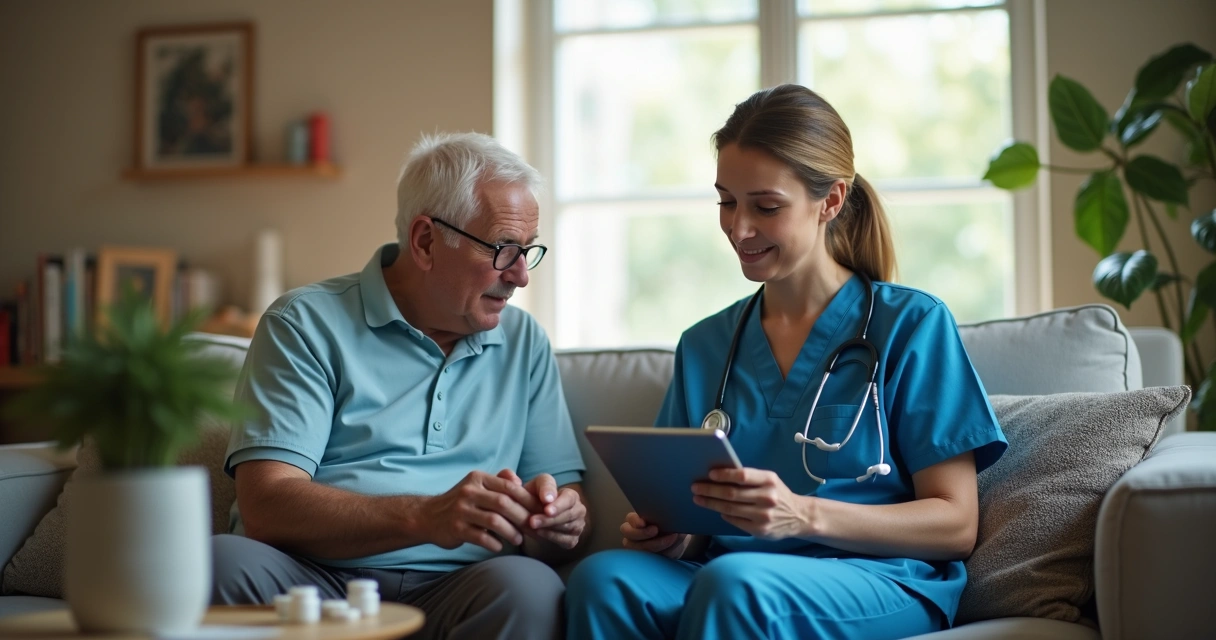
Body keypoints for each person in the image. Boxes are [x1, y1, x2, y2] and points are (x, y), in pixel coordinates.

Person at [565, 84, 1008, 639]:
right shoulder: (706, 345)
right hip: (727, 571)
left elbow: (956, 522)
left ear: (831, 201)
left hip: (875, 575)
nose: (739, 228)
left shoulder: (912, 325)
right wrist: (676, 537)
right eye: (727, 201)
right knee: (606, 578)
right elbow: (696, 517)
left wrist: (803, 514)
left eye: (766, 207)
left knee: (735, 584)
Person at [212, 132, 588, 640]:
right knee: (222, 563)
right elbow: (266, 504)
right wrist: (424, 516)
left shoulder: (525, 343)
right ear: (426, 241)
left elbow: (560, 500)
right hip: (313, 581)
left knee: (531, 588)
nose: (521, 276)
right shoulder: (304, 323)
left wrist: (558, 520)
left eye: (528, 251)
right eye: (503, 249)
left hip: (462, 585)